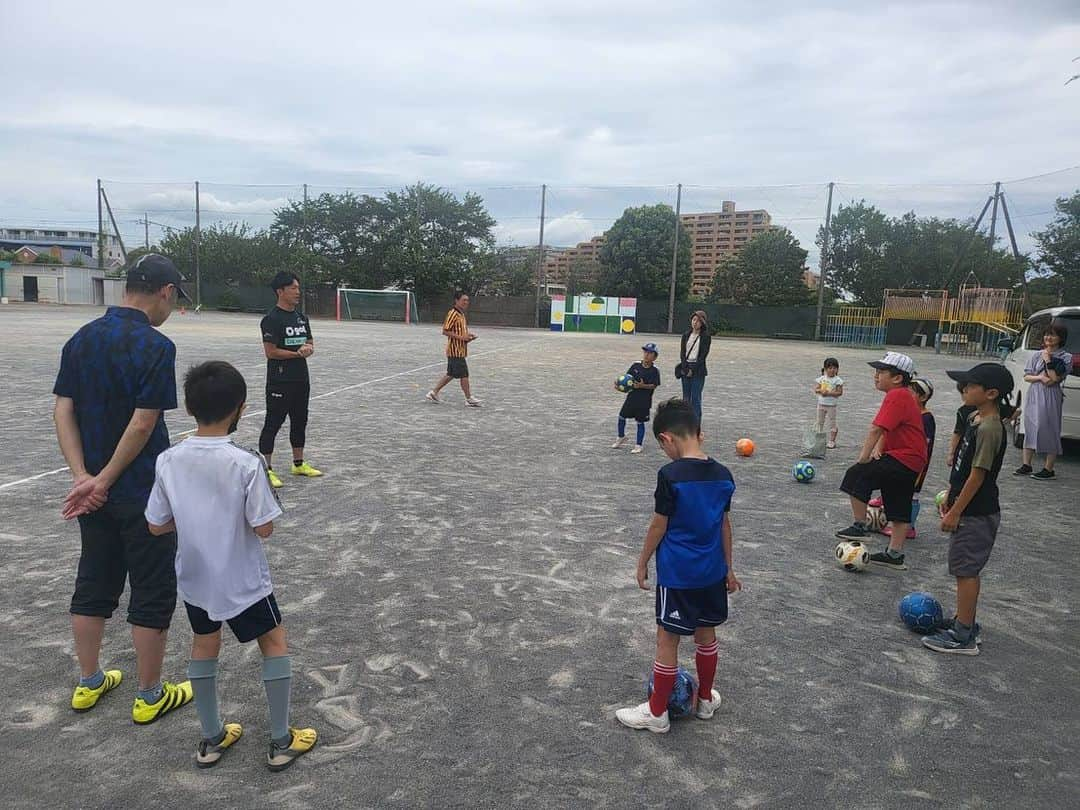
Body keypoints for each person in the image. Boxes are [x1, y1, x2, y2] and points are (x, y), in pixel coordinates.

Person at [146, 361, 318, 770]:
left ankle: (212, 736)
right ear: (241, 407)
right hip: (242, 579)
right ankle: (280, 740)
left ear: (188, 408)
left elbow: (156, 525)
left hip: (196, 577)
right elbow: (263, 528)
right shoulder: (244, 461)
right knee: (273, 641)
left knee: (204, 643)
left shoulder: (168, 459)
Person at [52, 253, 194, 723]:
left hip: (93, 493)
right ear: (165, 292)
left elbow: (63, 410)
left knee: (95, 578)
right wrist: (106, 479)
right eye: (175, 300)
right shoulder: (155, 346)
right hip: (141, 490)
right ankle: (150, 693)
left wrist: (83, 478)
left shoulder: (82, 338)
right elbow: (143, 422)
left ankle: (90, 680)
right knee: (152, 587)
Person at [615, 398, 740, 733]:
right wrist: (729, 569)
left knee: (667, 639)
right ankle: (704, 702)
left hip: (678, 574)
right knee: (706, 634)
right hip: (712, 572)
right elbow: (724, 525)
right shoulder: (723, 475)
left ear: (667, 438)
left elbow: (659, 524)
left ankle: (657, 713)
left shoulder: (670, 475)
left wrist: (642, 562)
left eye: (661, 446)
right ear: (700, 433)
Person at [922, 363, 1014, 655]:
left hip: (976, 511)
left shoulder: (989, 427)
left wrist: (956, 511)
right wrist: (951, 492)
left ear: (990, 393)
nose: (963, 389)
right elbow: (963, 466)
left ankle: (964, 636)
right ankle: (964, 620)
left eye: (969, 385)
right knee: (963, 567)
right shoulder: (976, 417)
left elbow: (978, 475)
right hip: (967, 505)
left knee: (966, 570)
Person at [835, 352, 927, 571]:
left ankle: (859, 525)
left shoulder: (897, 395)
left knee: (856, 474)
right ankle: (894, 554)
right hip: (912, 459)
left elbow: (877, 428)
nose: (876, 376)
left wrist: (863, 458)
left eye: (881, 372)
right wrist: (879, 450)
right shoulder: (903, 396)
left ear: (897, 378)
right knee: (898, 502)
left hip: (903, 456)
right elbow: (890, 428)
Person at [259, 272, 322, 488]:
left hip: (301, 379)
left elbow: (310, 343)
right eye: (293, 288)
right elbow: (271, 352)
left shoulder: (301, 318)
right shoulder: (271, 319)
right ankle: (266, 469)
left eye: (298, 287)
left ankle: (298, 463)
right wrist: (297, 353)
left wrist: (308, 349)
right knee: (273, 423)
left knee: (300, 420)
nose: (298, 292)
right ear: (280, 291)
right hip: (279, 380)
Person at [1015, 322, 1072, 481]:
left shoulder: (1065, 357)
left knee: (1049, 427)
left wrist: (1048, 360)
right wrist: (1039, 377)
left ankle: (1048, 468)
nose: (1048, 337)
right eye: (1047, 334)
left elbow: (1054, 379)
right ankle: (1026, 464)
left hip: (1051, 395)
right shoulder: (1035, 355)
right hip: (1035, 393)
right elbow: (1027, 376)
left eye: (1053, 335)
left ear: (1060, 338)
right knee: (1030, 425)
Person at [884, 377, 935, 540]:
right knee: (899, 489)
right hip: (903, 458)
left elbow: (925, 442)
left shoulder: (926, 418)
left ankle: (909, 527)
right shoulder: (909, 412)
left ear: (923, 397)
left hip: (917, 462)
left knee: (912, 493)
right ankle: (895, 522)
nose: (906, 395)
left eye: (911, 393)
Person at [426, 290, 481, 407]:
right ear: (457, 301)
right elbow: (445, 331)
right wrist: (462, 338)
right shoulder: (453, 313)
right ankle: (469, 398)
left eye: (467, 300)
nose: (466, 302)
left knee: (451, 374)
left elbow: (460, 332)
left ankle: (433, 392)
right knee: (464, 374)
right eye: (464, 300)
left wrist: (468, 336)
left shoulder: (461, 314)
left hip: (460, 350)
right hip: (455, 351)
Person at [612, 343, 662, 455]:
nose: (646, 355)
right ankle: (621, 437)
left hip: (644, 401)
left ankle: (638, 445)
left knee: (640, 422)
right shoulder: (635, 365)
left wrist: (642, 386)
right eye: (645, 352)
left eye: (650, 353)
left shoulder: (655, 370)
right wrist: (619, 385)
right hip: (631, 397)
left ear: (655, 357)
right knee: (621, 416)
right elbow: (627, 379)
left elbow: (654, 385)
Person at [678, 311, 712, 422]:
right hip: (686, 366)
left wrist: (693, 370)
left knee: (696, 398)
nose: (695, 323)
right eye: (694, 320)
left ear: (702, 323)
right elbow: (682, 353)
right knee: (686, 398)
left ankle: (696, 424)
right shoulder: (686, 335)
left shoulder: (706, 336)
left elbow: (703, 355)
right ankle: (686, 422)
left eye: (698, 321)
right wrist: (685, 368)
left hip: (698, 369)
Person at [813, 357, 844, 449]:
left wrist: (829, 393)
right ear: (825, 369)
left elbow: (840, 392)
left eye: (834, 368)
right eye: (830, 368)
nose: (832, 370)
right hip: (821, 404)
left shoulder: (838, 380)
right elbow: (816, 389)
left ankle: (832, 441)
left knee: (832, 423)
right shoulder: (822, 379)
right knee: (819, 422)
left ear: (837, 369)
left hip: (831, 406)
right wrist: (821, 391)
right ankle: (818, 440)